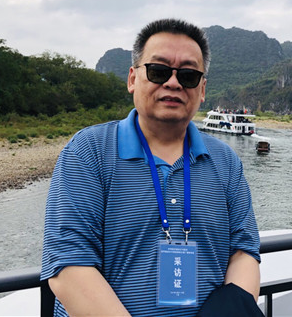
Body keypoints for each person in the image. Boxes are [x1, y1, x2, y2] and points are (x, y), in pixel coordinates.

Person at [41, 18, 261, 316]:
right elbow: (68, 265)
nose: (173, 83)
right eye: (158, 71)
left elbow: (244, 251)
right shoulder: (88, 151)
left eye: (188, 75)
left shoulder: (225, 161)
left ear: (202, 89)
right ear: (133, 78)